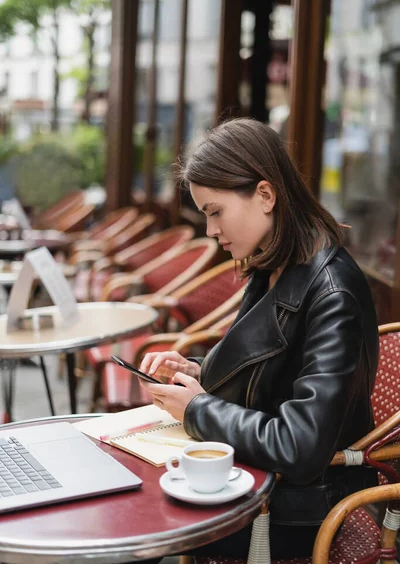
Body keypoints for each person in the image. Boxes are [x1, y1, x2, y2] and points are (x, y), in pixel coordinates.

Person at [139, 118, 379, 560]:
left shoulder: (331, 292)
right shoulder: (276, 262)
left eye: (215, 211)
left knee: (141, 517)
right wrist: (193, 373)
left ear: (265, 195)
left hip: (297, 507)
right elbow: (267, 377)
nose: (210, 230)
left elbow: (299, 446)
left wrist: (197, 408)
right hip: (254, 480)